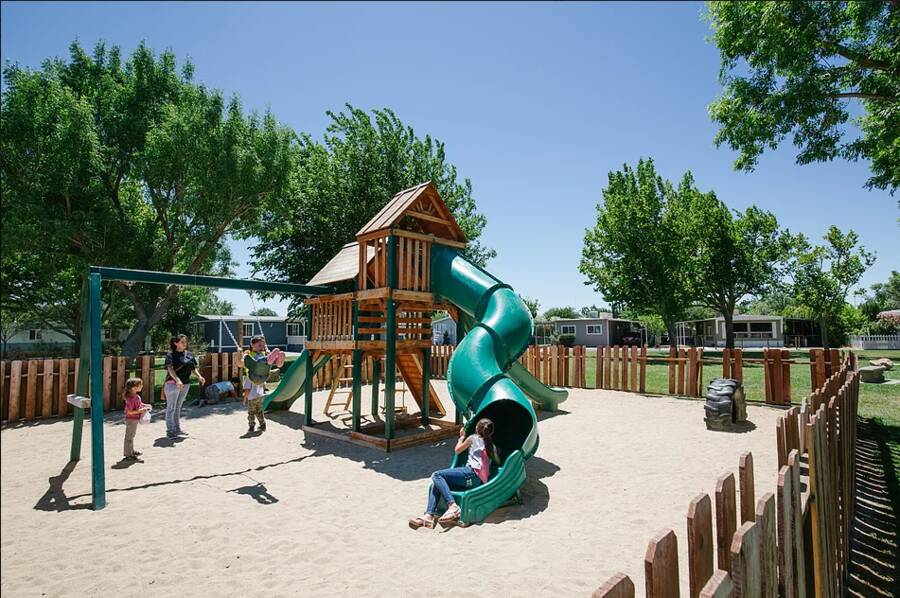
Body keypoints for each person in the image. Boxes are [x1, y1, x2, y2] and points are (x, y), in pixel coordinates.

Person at [409, 418, 497, 529]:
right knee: (436, 484)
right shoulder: (491, 445)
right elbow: (496, 460)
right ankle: (429, 517)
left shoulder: (473, 438)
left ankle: (452, 505)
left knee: (437, 475)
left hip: (471, 473)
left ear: (477, 428)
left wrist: (461, 437)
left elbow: (457, 450)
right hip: (476, 481)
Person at [164, 334, 205, 438]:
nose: (184, 344)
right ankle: (170, 430)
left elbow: (193, 368)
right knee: (171, 407)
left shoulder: (189, 354)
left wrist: (199, 376)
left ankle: (177, 429)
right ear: (175, 343)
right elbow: (170, 369)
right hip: (173, 384)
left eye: (185, 342)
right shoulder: (170, 355)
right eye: (182, 342)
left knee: (178, 407)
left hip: (186, 383)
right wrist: (177, 380)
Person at [243, 336, 269, 433]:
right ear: (252, 345)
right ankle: (262, 425)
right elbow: (245, 359)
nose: (262, 347)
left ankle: (251, 426)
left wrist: (245, 398)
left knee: (251, 412)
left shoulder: (249, 378)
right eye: (260, 345)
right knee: (259, 411)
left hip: (252, 397)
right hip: (260, 395)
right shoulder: (249, 354)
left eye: (263, 345)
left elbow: (247, 390)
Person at [123, 377, 151, 462]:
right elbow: (130, 412)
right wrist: (141, 410)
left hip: (134, 419)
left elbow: (139, 404)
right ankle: (128, 454)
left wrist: (145, 405)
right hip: (131, 420)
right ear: (133, 388)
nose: (142, 386)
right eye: (140, 385)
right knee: (129, 437)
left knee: (132, 436)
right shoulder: (130, 398)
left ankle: (131, 451)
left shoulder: (136, 396)